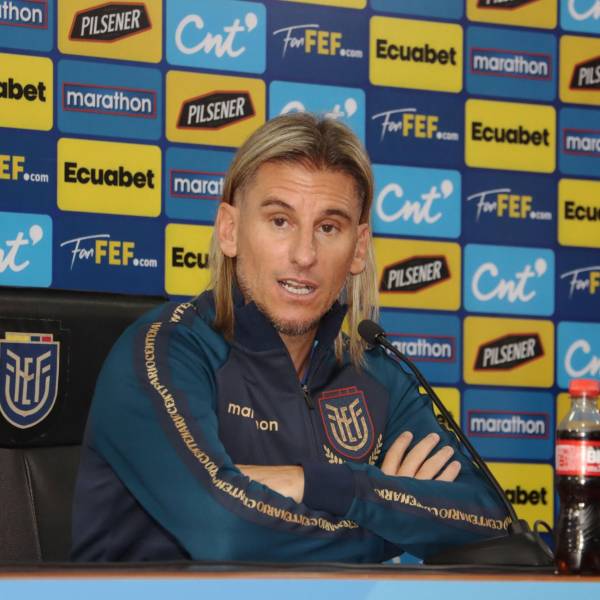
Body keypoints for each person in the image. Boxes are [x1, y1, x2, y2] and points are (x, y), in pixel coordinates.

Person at [71, 113, 510, 562]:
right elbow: (225, 533)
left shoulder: (376, 374)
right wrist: (395, 525)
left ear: (358, 248)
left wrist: (322, 484)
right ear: (229, 230)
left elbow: (491, 521)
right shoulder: (166, 351)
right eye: (280, 221)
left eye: (328, 227)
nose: (304, 255)